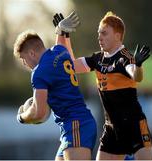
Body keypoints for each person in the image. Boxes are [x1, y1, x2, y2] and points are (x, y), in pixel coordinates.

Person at [54, 11, 152, 160]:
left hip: (133, 126)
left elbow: (135, 75)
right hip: (111, 129)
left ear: (117, 36)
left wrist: (138, 65)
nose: (99, 37)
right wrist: (63, 34)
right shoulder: (98, 59)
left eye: (104, 33)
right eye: (98, 33)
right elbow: (69, 65)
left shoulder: (124, 57)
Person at [13, 12, 97, 160]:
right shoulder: (59, 51)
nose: (24, 64)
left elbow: (39, 113)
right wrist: (61, 31)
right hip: (76, 123)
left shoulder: (39, 72)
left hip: (75, 125)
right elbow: (64, 52)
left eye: (23, 59)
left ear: (32, 53)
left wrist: (22, 117)